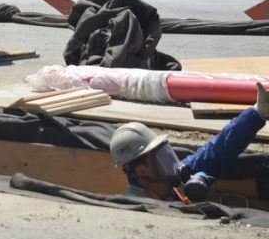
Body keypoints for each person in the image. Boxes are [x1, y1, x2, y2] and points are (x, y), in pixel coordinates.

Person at [110, 82, 269, 202]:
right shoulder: (139, 207)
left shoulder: (174, 178)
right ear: (142, 171)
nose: (171, 164)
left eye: (165, 153)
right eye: (160, 158)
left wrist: (257, 113)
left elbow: (217, 150)